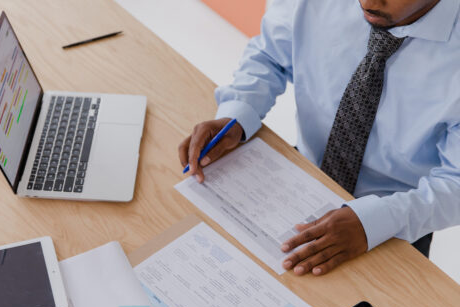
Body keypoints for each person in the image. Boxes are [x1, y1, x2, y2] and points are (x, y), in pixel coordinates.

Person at [178, 0, 460, 276]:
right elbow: (270, 55)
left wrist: (374, 222)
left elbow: (456, 183)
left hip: (397, 220)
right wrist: (237, 115)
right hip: (301, 179)